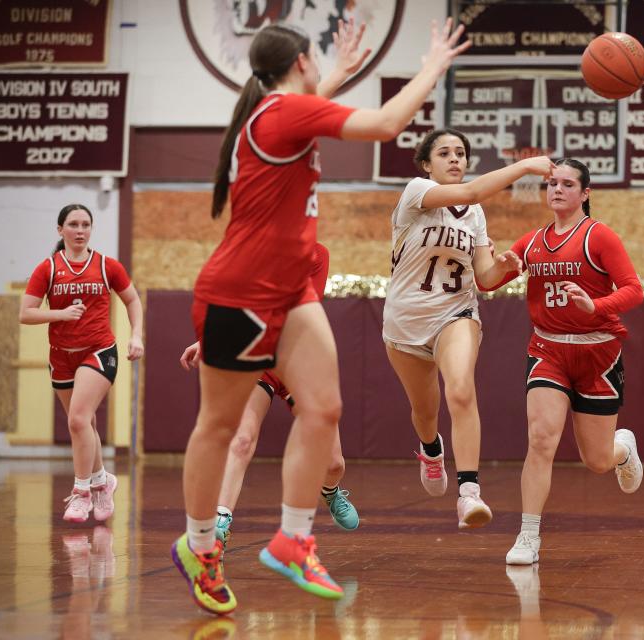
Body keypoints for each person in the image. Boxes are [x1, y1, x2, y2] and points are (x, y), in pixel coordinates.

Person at [171, 18, 470, 615]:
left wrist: (335, 74)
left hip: (289, 291)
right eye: (319, 63)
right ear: (301, 62)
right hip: (241, 292)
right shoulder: (282, 113)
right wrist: (434, 65)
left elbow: (310, 105)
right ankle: (200, 545)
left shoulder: (281, 110)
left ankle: (292, 537)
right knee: (220, 428)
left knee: (323, 408)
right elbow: (386, 124)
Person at [383, 128, 553, 529]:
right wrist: (527, 164)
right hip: (405, 324)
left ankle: (469, 493)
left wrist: (507, 268)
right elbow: (472, 192)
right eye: (445, 153)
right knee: (425, 413)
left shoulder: (474, 215)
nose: (455, 159)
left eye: (460, 152)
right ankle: (430, 449)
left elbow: (485, 277)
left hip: (455, 314)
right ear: (427, 164)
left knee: (460, 389)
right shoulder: (416, 192)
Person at [479, 159, 644, 565]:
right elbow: (486, 282)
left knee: (597, 461)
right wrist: (499, 263)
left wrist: (597, 304)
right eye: (552, 183)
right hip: (548, 351)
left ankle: (622, 449)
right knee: (541, 440)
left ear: (585, 194)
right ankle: (528, 536)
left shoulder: (599, 237)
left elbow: (634, 290)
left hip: (597, 353)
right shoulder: (532, 241)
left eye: (567, 184)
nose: (556, 189)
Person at [178, 243, 360, 544]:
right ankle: (221, 518)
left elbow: (292, 314)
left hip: (299, 361)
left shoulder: (316, 255)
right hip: (258, 359)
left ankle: (329, 491)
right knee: (242, 439)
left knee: (333, 464)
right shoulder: (250, 252)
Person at [19, 204, 145, 524]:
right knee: (84, 424)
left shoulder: (106, 265)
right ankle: (103, 480)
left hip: (99, 351)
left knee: (77, 419)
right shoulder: (47, 269)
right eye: (73, 224)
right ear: (60, 230)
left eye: (86, 224)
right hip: (61, 354)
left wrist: (136, 336)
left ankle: (82, 491)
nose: (80, 230)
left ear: (91, 229)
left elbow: (132, 299)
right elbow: (26, 313)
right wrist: (59, 315)